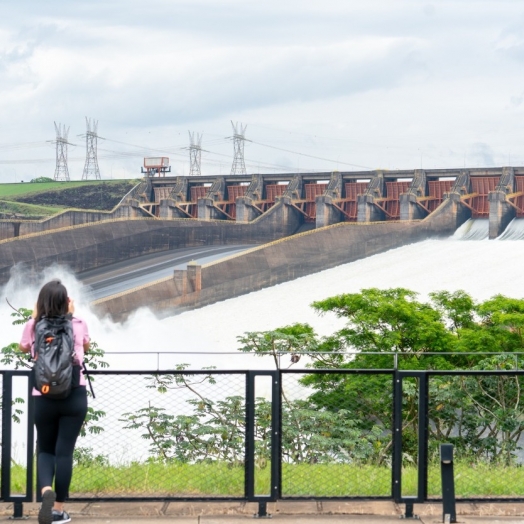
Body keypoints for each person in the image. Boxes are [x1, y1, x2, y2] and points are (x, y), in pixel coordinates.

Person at [19, 280, 90, 524]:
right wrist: (71, 315)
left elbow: (24, 347)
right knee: (64, 453)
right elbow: (86, 347)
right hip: (74, 394)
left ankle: (45, 492)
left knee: (45, 449)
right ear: (66, 302)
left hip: (44, 396)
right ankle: (58, 510)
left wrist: (36, 316)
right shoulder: (78, 324)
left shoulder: (34, 325)